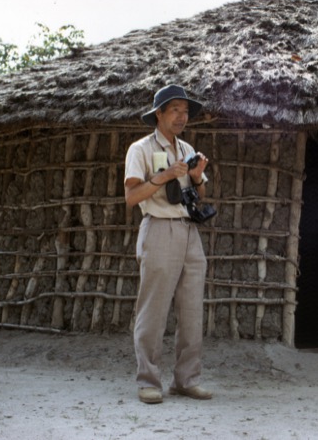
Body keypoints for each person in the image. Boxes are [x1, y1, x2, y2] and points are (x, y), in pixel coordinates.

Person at [124, 84, 212, 404]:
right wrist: (161, 177)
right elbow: (132, 198)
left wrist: (198, 176)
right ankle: (148, 380)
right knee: (154, 310)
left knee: (191, 310)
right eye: (175, 109)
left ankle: (186, 380)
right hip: (159, 228)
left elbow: (200, 195)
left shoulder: (187, 148)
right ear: (158, 114)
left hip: (190, 233)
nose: (182, 116)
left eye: (185, 111)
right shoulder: (141, 149)